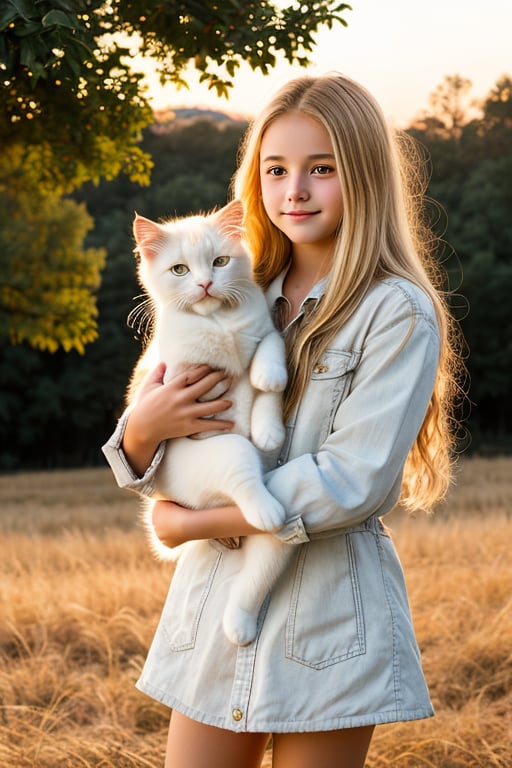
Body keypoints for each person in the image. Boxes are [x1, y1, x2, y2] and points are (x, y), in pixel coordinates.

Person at [103, 73, 461, 768]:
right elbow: (168, 443)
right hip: (212, 607)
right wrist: (143, 431)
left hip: (327, 619)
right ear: (256, 178)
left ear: (363, 178)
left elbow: (351, 481)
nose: (294, 190)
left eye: (321, 169)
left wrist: (191, 523)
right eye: (276, 169)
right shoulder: (228, 281)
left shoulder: (396, 312)